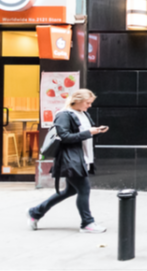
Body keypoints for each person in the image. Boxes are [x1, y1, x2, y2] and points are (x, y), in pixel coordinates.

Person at [28, 89, 109, 233]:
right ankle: (87, 223)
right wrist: (89, 132)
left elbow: (84, 135)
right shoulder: (63, 115)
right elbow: (64, 137)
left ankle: (35, 212)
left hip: (83, 157)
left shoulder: (84, 114)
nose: (90, 106)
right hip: (70, 159)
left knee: (70, 191)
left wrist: (96, 131)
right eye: (87, 103)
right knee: (84, 189)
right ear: (76, 101)